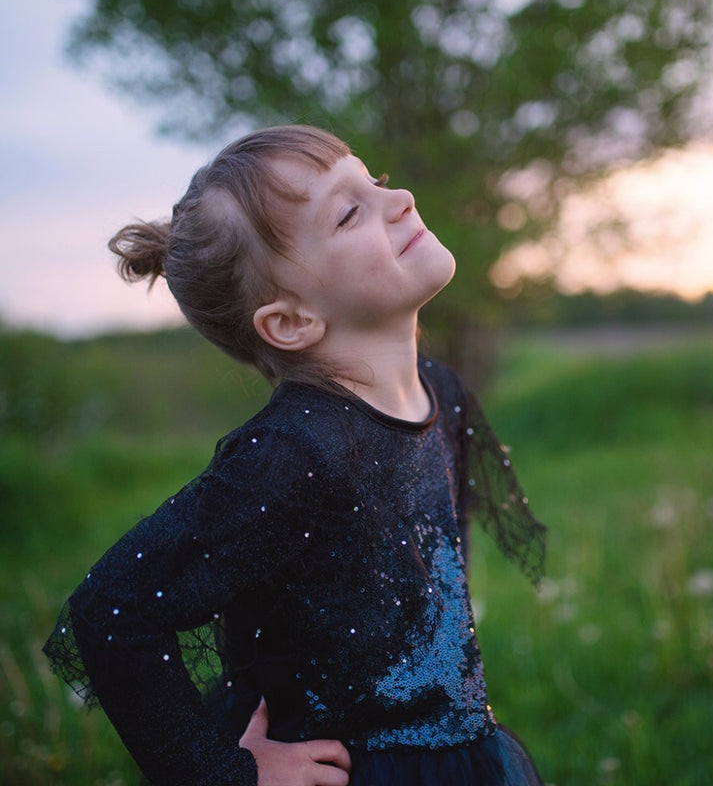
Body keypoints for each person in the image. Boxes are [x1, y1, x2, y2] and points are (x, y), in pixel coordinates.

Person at [43, 124, 547, 786]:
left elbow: (429, 584)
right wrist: (226, 773)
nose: (399, 201)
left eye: (377, 182)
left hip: (457, 753)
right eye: (348, 213)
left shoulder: (441, 392)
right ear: (291, 321)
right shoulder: (295, 451)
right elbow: (112, 609)